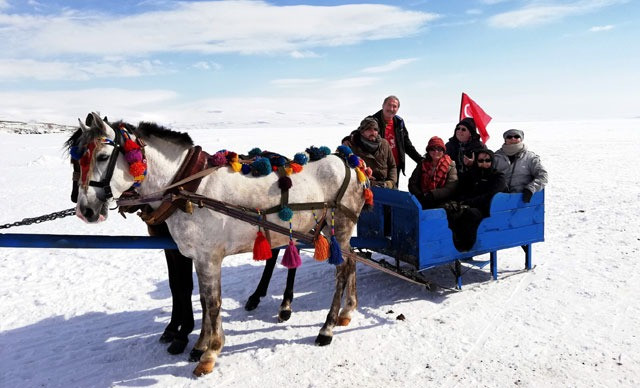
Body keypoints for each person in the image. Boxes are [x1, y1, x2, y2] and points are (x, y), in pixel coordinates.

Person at [344, 95, 421, 185]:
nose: (391, 108)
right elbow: (359, 133)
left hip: (394, 166)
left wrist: (420, 160)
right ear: (383, 105)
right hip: (377, 166)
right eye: (389, 105)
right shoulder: (374, 120)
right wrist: (347, 139)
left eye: (394, 106)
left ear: (398, 109)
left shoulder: (399, 122)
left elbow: (407, 144)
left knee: (391, 190)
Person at [446, 149, 507, 251]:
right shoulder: (472, 174)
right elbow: (461, 189)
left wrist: (468, 202)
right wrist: (460, 201)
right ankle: (451, 244)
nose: (484, 163)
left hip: (488, 210)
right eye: (481, 160)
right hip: (469, 205)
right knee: (450, 211)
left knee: (470, 214)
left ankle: (467, 247)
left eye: (487, 160)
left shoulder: (498, 177)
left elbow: (491, 196)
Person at [493, 129, 548, 203]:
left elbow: (543, 176)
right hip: (499, 200)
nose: (513, 139)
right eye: (509, 137)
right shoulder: (496, 157)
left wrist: (530, 189)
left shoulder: (530, 157)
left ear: (521, 139)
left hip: (522, 199)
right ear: (505, 140)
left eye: (516, 136)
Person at [408, 136, 458, 209]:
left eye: (439, 149)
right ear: (428, 151)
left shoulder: (450, 165)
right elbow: (412, 182)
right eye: (432, 149)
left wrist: (432, 195)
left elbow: (450, 187)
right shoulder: (422, 164)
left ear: (443, 151)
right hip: (422, 200)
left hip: (442, 201)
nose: (436, 152)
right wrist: (419, 195)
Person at [347, 117, 397, 188]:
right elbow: (349, 169)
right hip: (363, 186)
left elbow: (392, 166)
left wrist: (391, 182)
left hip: (385, 185)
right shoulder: (353, 146)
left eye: (375, 129)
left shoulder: (384, 144)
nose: (373, 132)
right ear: (362, 132)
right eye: (369, 129)